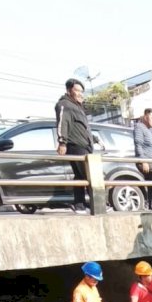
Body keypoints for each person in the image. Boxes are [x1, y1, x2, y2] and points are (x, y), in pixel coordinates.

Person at [56, 78, 93, 213]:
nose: (80, 94)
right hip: (75, 146)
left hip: (85, 146)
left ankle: (80, 205)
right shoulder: (64, 104)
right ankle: (97, 204)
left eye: (82, 91)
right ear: (69, 90)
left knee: (81, 176)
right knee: (89, 175)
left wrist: (94, 139)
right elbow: (62, 123)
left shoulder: (77, 107)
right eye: (77, 91)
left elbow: (82, 128)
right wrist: (62, 142)